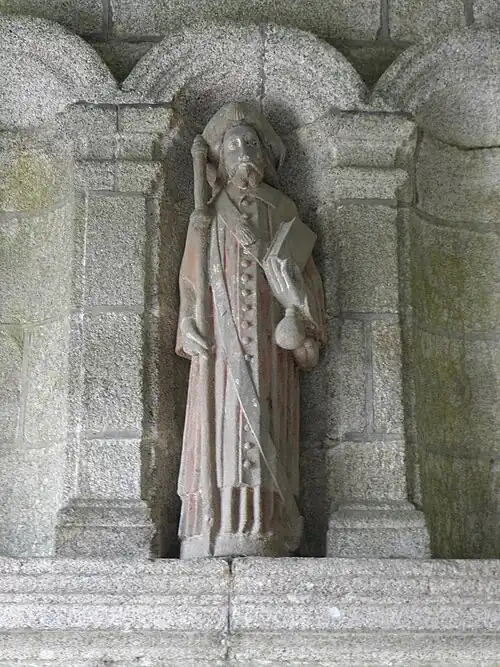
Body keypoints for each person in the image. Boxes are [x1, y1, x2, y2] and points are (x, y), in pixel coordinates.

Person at [176, 102, 326, 558]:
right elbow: (190, 281)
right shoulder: (207, 215)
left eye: (252, 142)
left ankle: (270, 523)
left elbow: (307, 281)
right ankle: (211, 523)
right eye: (233, 144)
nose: (243, 150)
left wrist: (299, 309)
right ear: (220, 156)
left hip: (270, 346)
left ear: (264, 154)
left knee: (267, 429)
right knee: (219, 434)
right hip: (219, 349)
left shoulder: (283, 209)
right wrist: (187, 322)